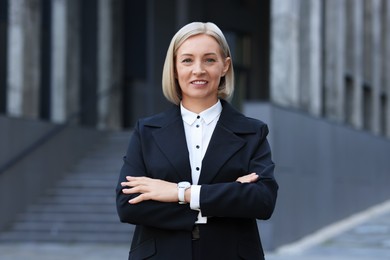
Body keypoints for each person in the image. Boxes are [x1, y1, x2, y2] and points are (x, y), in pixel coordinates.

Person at [116, 21, 278, 260]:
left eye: (210, 60)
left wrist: (179, 192)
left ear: (225, 66)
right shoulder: (147, 131)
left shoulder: (252, 132)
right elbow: (128, 204)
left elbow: (262, 200)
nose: (198, 70)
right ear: (174, 68)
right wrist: (227, 195)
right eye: (187, 60)